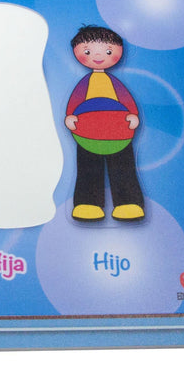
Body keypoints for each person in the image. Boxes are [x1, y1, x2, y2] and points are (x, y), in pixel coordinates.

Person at [65, 25, 144, 221]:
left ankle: (128, 203)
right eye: (88, 52)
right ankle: (88, 204)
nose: (99, 56)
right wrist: (70, 117)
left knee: (123, 166)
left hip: (119, 133)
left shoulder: (115, 84)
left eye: (108, 51)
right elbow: (75, 102)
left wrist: (133, 115)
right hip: (87, 134)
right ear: (77, 51)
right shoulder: (84, 84)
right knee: (88, 167)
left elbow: (126, 101)